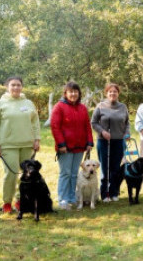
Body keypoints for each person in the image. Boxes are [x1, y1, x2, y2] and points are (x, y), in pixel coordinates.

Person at [0, 77, 41, 213]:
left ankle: (20, 200)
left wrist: (37, 139)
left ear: (22, 87)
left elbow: (35, 123)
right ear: (7, 86)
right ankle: (7, 203)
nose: (16, 88)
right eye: (13, 85)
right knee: (10, 175)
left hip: (27, 144)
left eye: (18, 85)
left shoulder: (28, 103)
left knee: (27, 174)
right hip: (8, 145)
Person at [50, 82, 93, 210]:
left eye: (75, 91)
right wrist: (61, 144)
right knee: (65, 173)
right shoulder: (59, 107)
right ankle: (62, 199)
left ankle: (72, 197)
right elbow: (55, 127)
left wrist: (89, 142)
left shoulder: (82, 108)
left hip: (79, 147)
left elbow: (87, 126)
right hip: (65, 148)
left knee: (74, 173)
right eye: (70, 91)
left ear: (79, 93)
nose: (73, 94)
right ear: (66, 93)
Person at [91, 83, 131, 202]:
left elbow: (127, 123)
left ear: (118, 93)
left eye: (115, 91)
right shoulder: (101, 106)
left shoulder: (123, 107)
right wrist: (102, 131)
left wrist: (127, 133)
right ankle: (104, 194)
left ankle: (114, 192)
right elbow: (93, 122)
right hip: (104, 141)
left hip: (119, 141)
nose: (112, 93)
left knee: (115, 168)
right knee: (105, 168)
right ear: (106, 93)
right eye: (110, 91)